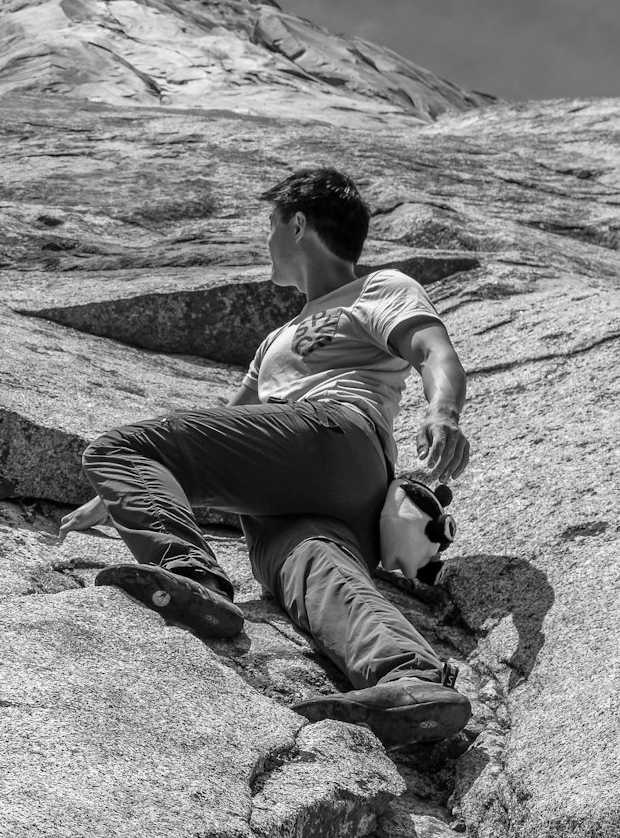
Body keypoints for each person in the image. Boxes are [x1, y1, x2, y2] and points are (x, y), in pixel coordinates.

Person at [62, 168, 472, 747]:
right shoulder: (273, 341)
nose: (267, 242)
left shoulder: (378, 289)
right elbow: (229, 426)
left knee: (117, 444)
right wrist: (122, 491)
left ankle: (190, 575)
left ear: (297, 223)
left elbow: (434, 350)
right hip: (295, 501)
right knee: (317, 571)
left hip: (337, 437)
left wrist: (443, 413)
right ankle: (413, 681)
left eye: (271, 226)